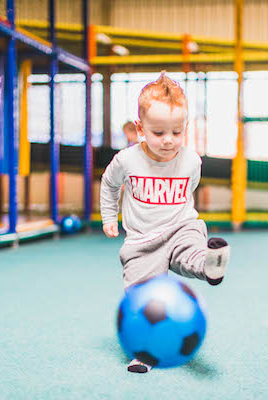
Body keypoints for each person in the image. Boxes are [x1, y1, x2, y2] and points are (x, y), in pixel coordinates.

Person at [100, 71, 230, 374]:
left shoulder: (191, 161)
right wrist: (110, 216)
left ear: (185, 128)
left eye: (177, 132)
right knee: (141, 298)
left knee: (190, 249)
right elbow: (109, 184)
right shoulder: (126, 160)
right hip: (142, 241)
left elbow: (189, 193)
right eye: (158, 133)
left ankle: (209, 264)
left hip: (181, 226)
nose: (169, 140)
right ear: (140, 128)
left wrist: (184, 231)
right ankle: (143, 352)